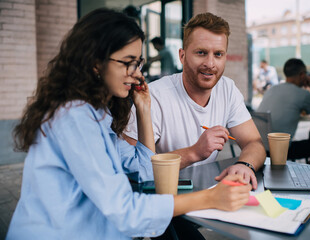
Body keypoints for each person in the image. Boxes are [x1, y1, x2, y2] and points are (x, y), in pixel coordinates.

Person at [6, 9, 252, 240]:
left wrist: (144, 110)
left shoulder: (97, 113)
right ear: (95, 63)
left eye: (138, 63)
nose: (136, 73)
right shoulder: (74, 118)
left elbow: (145, 173)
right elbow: (126, 211)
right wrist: (210, 198)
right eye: (127, 63)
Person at [124, 12, 266, 190]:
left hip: (205, 190)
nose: (210, 63)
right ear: (182, 56)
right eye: (201, 53)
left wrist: (245, 165)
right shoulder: (155, 96)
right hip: (159, 196)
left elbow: (255, 143)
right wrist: (194, 152)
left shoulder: (227, 89)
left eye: (218, 54)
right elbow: (130, 169)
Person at [257, 58, 310, 164]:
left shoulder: (272, 89)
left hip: (259, 148)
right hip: (281, 150)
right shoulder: (303, 94)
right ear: (302, 75)